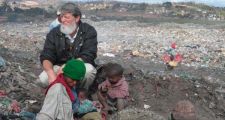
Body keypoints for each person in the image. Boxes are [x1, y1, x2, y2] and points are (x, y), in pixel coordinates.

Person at [39, 2, 97, 90]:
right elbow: (47, 54)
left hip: (79, 65)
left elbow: (89, 54)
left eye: (66, 17)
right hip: (59, 66)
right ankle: (59, 92)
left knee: (89, 71)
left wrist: (68, 66)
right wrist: (51, 73)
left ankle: (82, 93)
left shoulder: (88, 31)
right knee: (43, 79)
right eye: (61, 17)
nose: (62, 20)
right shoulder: (54, 33)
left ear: (77, 18)